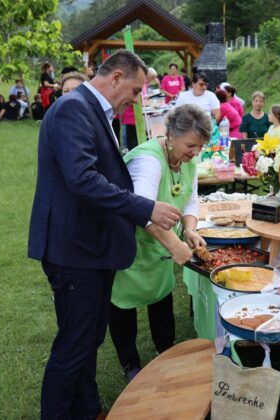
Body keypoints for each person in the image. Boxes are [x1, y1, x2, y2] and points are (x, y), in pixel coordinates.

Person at [27, 49, 182, 419]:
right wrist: (146, 208)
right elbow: (82, 178)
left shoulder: (94, 111)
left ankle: (87, 408)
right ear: (115, 78)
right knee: (74, 346)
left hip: (91, 247)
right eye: (134, 90)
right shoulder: (72, 108)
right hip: (74, 250)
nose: (136, 99)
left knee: (89, 339)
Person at [109, 104, 210, 382]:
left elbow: (190, 197)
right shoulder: (149, 161)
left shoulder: (188, 159)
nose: (195, 152)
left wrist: (189, 230)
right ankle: (130, 364)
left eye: (200, 147)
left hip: (159, 248)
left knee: (162, 302)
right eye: (191, 145)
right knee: (123, 308)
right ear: (170, 135)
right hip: (132, 246)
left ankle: (165, 353)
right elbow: (143, 211)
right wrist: (175, 246)